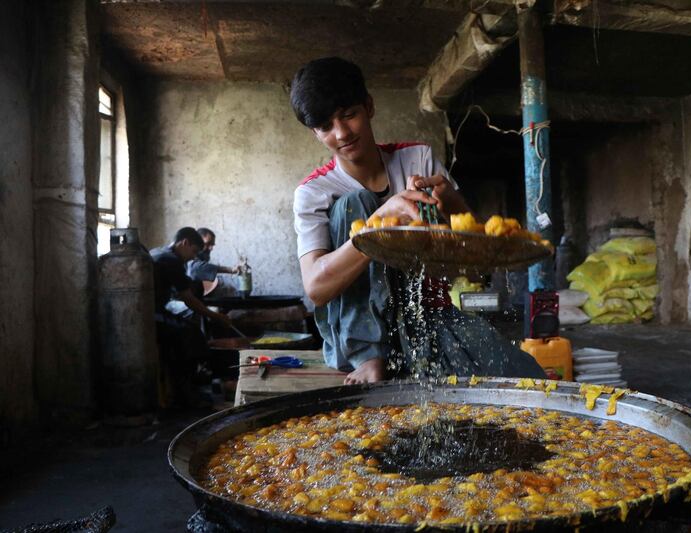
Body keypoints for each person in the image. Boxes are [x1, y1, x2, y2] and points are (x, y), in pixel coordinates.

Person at [290, 57, 545, 384]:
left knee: (527, 377)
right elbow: (316, 288)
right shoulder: (314, 191)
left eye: (348, 114)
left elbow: (470, 257)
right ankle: (369, 356)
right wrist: (380, 222)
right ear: (315, 132)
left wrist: (450, 202)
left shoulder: (417, 158)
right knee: (356, 204)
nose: (341, 133)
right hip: (357, 340)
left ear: (368, 106)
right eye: (326, 126)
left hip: (426, 319)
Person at [150, 227, 233, 405]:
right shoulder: (170, 259)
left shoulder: (159, 251)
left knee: (189, 330)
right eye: (194, 251)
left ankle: (189, 386)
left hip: (154, 310)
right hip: (151, 314)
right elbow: (188, 299)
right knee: (190, 334)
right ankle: (186, 393)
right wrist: (216, 316)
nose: (194, 257)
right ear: (184, 243)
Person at [186, 228, 240, 292]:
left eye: (212, 245)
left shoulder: (201, 258)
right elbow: (196, 267)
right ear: (197, 242)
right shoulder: (189, 257)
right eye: (208, 244)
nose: (211, 248)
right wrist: (230, 270)